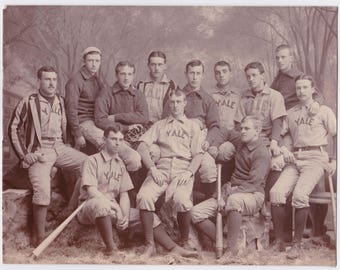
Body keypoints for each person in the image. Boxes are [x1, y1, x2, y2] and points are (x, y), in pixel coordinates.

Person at [77, 126, 196, 257]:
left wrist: (125, 216)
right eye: (113, 139)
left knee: (150, 217)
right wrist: (115, 207)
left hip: (111, 210)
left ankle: (172, 247)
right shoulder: (92, 160)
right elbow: (92, 191)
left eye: (120, 140)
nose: (117, 143)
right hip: (89, 208)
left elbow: (124, 194)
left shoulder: (120, 164)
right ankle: (111, 249)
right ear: (104, 140)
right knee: (102, 205)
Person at [8, 66, 87, 247]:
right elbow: (13, 127)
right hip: (39, 151)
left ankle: (69, 210)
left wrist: (68, 143)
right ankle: (40, 237)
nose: (51, 83)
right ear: (39, 81)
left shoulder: (60, 100)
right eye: (47, 79)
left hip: (59, 147)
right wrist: (24, 155)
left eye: (54, 79)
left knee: (89, 163)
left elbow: (66, 124)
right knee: (43, 191)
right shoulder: (29, 101)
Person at [269, 74, 336, 259]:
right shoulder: (291, 113)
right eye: (298, 88)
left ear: (313, 89)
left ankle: (297, 245)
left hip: (316, 158)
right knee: (276, 192)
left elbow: (336, 135)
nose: (301, 91)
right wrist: (283, 149)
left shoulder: (324, 111)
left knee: (299, 195)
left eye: (305, 87)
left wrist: (334, 160)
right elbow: (281, 136)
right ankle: (280, 242)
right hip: (296, 157)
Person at [191, 116, 271, 263]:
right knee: (195, 213)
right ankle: (226, 240)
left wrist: (227, 196)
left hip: (253, 194)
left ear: (257, 130)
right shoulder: (241, 140)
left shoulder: (262, 153)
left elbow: (252, 184)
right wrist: (215, 145)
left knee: (234, 200)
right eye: (241, 128)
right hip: (232, 190)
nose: (243, 131)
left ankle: (231, 250)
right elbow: (224, 131)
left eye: (247, 128)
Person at [136, 89, 203, 258]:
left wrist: (189, 172)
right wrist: (152, 168)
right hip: (162, 168)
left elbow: (199, 154)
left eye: (179, 102)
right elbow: (142, 146)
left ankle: (184, 240)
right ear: (168, 104)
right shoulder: (160, 125)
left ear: (185, 103)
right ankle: (149, 244)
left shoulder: (193, 126)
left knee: (181, 199)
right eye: (172, 102)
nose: (175, 106)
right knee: (144, 197)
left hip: (183, 168)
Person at [162, 59, 219, 189]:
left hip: (199, 141)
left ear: (203, 75)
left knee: (208, 169)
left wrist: (208, 141)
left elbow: (215, 125)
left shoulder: (208, 99)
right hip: (175, 139)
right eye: (191, 73)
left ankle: (206, 202)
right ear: (186, 74)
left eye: (198, 73)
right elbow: (164, 120)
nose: (194, 77)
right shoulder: (175, 96)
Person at [94, 61, 148, 172]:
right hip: (116, 138)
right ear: (116, 75)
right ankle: (122, 186)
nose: (126, 78)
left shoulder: (138, 94)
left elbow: (144, 117)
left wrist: (117, 116)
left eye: (129, 74)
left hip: (136, 138)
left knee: (154, 153)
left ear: (133, 76)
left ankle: (135, 187)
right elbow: (100, 120)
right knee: (134, 159)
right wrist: (125, 128)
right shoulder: (106, 93)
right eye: (123, 74)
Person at [65, 46, 106, 151]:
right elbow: (71, 110)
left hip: (97, 120)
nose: (94, 64)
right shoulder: (75, 81)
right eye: (90, 60)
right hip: (83, 122)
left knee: (117, 139)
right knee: (106, 144)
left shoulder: (98, 79)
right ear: (84, 61)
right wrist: (77, 134)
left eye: (97, 61)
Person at [137, 51, 176, 124]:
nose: (156, 68)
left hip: (163, 126)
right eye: (153, 64)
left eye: (160, 64)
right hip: (143, 125)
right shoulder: (141, 85)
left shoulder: (172, 86)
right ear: (148, 65)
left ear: (165, 66)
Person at [212, 60, 240, 130]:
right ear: (215, 76)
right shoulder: (208, 95)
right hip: (215, 133)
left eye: (224, 71)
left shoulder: (239, 95)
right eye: (218, 73)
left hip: (234, 133)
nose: (221, 75)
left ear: (230, 74)